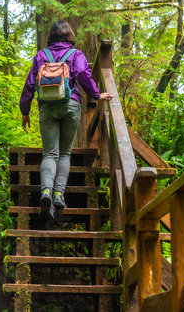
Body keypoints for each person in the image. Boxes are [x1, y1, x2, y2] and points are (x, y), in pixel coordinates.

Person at [19, 20, 113, 220]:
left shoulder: (41, 56)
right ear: (70, 35)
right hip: (71, 104)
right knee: (65, 154)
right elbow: (82, 74)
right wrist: (96, 95)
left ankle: (45, 192)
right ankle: (59, 194)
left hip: (47, 106)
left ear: (51, 35)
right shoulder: (75, 54)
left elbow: (29, 84)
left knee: (50, 153)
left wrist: (25, 111)